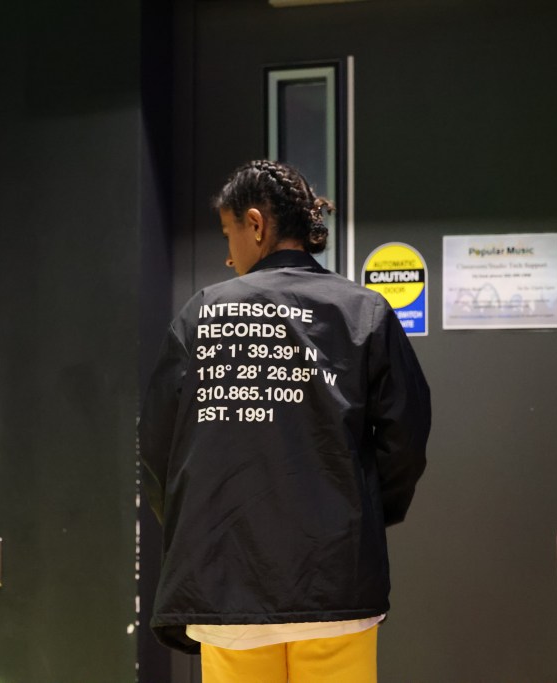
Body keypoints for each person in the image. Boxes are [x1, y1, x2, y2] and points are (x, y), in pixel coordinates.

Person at [138, 159, 431, 683]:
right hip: (336, 585)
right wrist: (358, 513)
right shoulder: (364, 311)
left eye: (228, 234)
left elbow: (157, 447)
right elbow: (404, 439)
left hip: (228, 588)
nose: (228, 256)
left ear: (255, 224)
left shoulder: (202, 313)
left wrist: (199, 526)